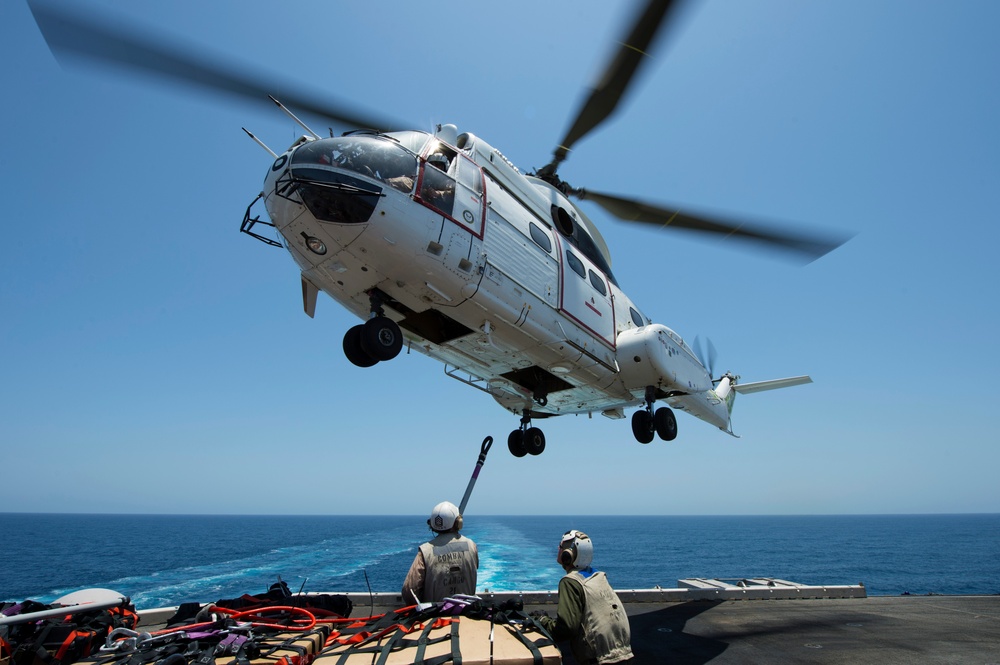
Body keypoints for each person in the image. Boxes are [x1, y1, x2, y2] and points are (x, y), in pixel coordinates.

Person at [536, 530, 633, 664]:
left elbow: (566, 628)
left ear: (567, 555)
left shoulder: (570, 582)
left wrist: (543, 621)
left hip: (600, 660)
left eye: (560, 546)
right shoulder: (599, 576)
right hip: (624, 654)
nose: (558, 549)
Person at [401, 501, 479, 604]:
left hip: (435, 617)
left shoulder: (425, 551)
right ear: (458, 523)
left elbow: (409, 590)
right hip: (467, 614)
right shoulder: (472, 546)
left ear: (432, 526)